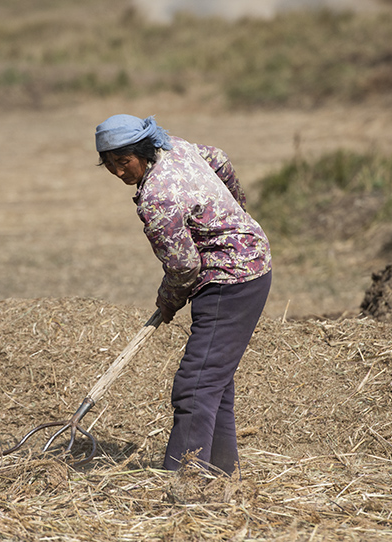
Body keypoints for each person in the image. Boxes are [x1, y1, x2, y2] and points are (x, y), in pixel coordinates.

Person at [95, 114, 272, 475]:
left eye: (123, 162)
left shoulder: (157, 200)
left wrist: (169, 299)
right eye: (110, 164)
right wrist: (235, 208)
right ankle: (221, 472)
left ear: (142, 151)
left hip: (229, 280)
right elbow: (218, 157)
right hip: (250, 263)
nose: (117, 172)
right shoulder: (177, 148)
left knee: (195, 386)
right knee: (214, 381)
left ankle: (183, 482)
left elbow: (184, 266)